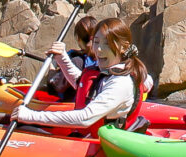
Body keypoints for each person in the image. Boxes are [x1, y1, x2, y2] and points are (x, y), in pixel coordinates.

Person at [12, 17, 148, 134]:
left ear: (123, 47)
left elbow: (85, 118)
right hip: (87, 137)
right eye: (96, 42)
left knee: (26, 127)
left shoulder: (121, 82)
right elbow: (81, 83)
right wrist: (62, 57)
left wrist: (30, 115)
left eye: (107, 44)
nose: (99, 49)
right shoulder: (105, 72)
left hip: (102, 148)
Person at [43, 16, 98, 100]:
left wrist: (52, 65)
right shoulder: (101, 58)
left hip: (70, 106)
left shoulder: (77, 61)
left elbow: (55, 85)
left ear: (78, 39)